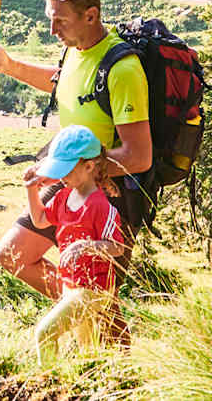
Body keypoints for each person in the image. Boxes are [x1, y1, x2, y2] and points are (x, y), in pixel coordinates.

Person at [0, 0, 151, 300]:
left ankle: (99, 329)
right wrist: (9, 66)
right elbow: (65, 83)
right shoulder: (76, 49)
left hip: (107, 195)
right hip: (70, 180)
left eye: (61, 21)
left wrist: (73, 170)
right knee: (14, 255)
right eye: (50, 19)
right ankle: (78, 309)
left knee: (97, 292)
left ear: (91, 16)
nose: (52, 29)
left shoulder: (122, 69)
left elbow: (139, 156)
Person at [28, 125, 126, 361]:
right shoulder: (63, 196)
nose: (60, 176)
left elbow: (118, 246)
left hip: (93, 289)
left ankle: (47, 383)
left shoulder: (100, 205)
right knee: (88, 350)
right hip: (70, 284)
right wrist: (31, 190)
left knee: (45, 332)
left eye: (66, 170)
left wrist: (86, 245)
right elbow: (40, 220)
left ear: (89, 166)